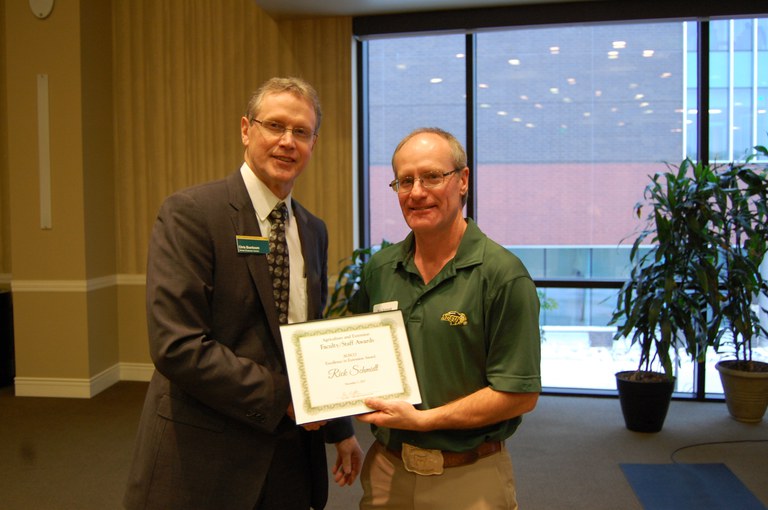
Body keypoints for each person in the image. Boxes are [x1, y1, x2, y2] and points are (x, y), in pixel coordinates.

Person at [124, 77, 363, 510]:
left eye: (301, 132)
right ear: (246, 130)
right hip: (203, 457)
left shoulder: (313, 229)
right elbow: (177, 346)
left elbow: (309, 338)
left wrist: (340, 427)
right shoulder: (192, 214)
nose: (287, 142)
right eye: (275, 126)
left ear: (314, 143)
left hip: (289, 459)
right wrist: (284, 398)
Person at [351, 127, 541, 510]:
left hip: (470, 480)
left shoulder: (503, 275)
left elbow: (519, 394)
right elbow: (355, 352)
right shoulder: (381, 269)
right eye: (405, 181)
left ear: (463, 180)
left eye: (432, 176)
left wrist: (425, 421)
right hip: (388, 471)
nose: (417, 192)